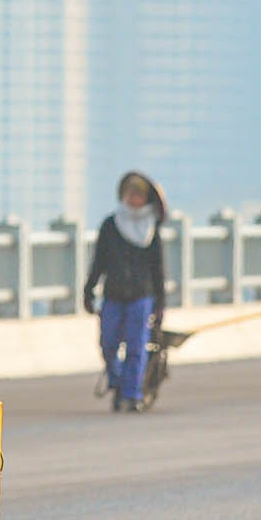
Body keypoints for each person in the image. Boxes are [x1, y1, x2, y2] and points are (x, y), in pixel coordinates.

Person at [82, 172, 168, 413]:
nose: (133, 199)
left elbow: (158, 269)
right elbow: (98, 262)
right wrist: (88, 291)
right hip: (113, 296)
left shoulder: (150, 229)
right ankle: (117, 381)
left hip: (142, 297)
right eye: (130, 194)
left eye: (138, 195)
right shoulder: (111, 225)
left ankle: (131, 394)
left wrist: (160, 304)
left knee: (136, 346)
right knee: (108, 344)